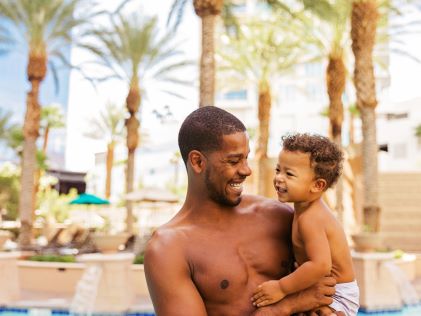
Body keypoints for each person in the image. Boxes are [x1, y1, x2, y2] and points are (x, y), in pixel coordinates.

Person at [144, 106, 341, 316]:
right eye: (234, 161)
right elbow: (304, 298)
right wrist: (289, 305)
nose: (247, 170)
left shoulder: (278, 216)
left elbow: (330, 285)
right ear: (198, 162)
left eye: (246, 158)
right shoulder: (169, 249)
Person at [251, 133, 359, 315]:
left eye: (289, 174)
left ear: (317, 185)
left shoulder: (311, 218)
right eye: (278, 170)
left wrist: (281, 287)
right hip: (328, 289)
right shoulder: (303, 211)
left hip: (337, 295)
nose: (279, 178)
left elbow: (320, 265)